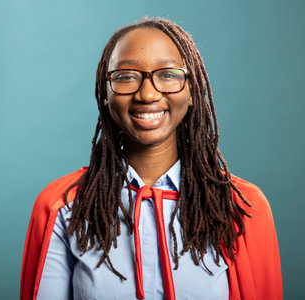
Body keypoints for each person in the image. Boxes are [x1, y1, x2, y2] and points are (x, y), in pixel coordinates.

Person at [20, 17, 282, 300]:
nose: (147, 94)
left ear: (191, 90)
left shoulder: (241, 207)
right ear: (105, 93)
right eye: (126, 76)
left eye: (168, 74)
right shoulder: (61, 208)